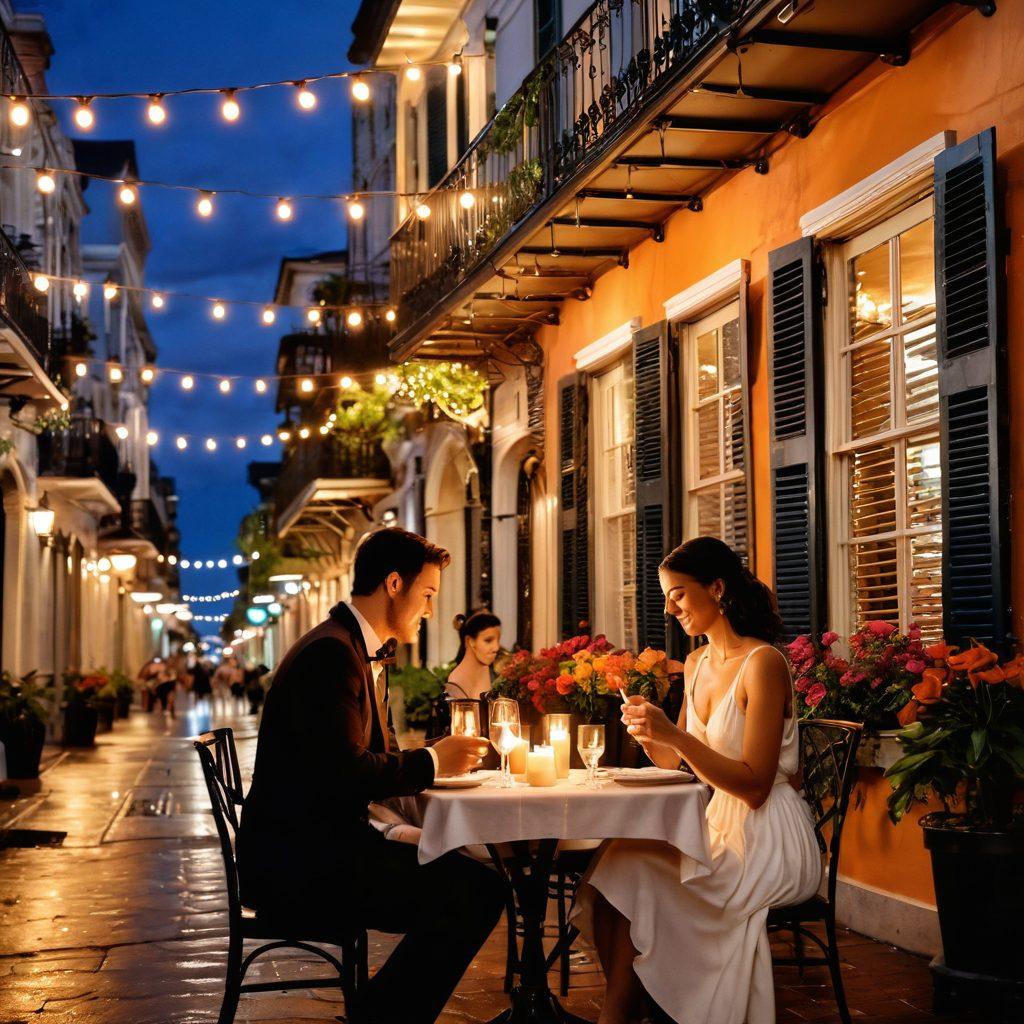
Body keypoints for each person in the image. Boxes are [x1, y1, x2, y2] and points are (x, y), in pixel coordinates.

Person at [237, 528, 506, 1024]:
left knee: (471, 876)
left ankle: (380, 1014)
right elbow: (342, 772)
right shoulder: (331, 655)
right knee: (476, 890)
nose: (430, 611)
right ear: (394, 584)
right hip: (297, 863)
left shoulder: (355, 648)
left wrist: (434, 765)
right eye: (427, 595)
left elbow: (365, 762)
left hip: (320, 845)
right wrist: (432, 761)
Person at [575, 536, 821, 1024]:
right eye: (666, 597)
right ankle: (628, 1005)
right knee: (614, 865)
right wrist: (649, 734)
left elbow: (754, 785)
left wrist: (678, 739)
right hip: (716, 823)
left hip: (768, 834)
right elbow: (676, 762)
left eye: (679, 594)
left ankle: (622, 1013)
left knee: (631, 870)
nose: (670, 609)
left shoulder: (764, 664)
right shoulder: (698, 663)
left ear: (718, 588)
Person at [445, 610, 502, 701]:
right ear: (470, 641)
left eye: (498, 640)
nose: (496, 647)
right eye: (488, 640)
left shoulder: (486, 668)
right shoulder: (457, 682)